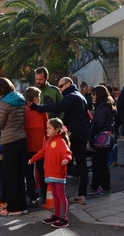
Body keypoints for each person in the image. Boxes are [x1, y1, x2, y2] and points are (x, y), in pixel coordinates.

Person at [30, 77, 91, 205]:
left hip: (73, 134)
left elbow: (58, 106)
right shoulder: (79, 95)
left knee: (61, 160)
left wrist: (39, 108)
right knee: (81, 163)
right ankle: (82, 193)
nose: (60, 89)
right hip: (82, 133)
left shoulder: (72, 97)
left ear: (68, 84)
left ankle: (66, 193)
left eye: (61, 86)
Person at [0, 77, 28, 216]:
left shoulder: (4, 103)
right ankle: (23, 206)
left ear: (1, 88)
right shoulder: (20, 99)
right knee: (19, 176)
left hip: (9, 141)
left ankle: (13, 208)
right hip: (22, 139)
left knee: (11, 176)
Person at [29, 118, 73, 228]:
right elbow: (41, 152)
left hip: (58, 173)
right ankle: (57, 215)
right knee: (55, 196)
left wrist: (66, 159)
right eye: (47, 128)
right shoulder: (49, 141)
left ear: (57, 129)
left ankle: (63, 218)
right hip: (50, 173)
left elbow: (67, 152)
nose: (47, 130)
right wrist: (33, 159)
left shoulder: (61, 142)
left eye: (49, 128)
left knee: (60, 196)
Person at [89, 85, 115, 197]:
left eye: (93, 94)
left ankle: (105, 187)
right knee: (97, 164)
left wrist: (90, 133)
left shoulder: (102, 107)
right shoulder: (103, 105)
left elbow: (98, 124)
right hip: (102, 138)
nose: (92, 96)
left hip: (101, 139)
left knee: (101, 164)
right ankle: (95, 186)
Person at [24, 86, 48, 205]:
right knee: (43, 172)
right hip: (41, 147)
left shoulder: (23, 110)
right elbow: (47, 128)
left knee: (28, 173)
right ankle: (45, 195)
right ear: (34, 98)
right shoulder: (41, 110)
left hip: (27, 146)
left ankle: (32, 196)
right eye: (38, 96)